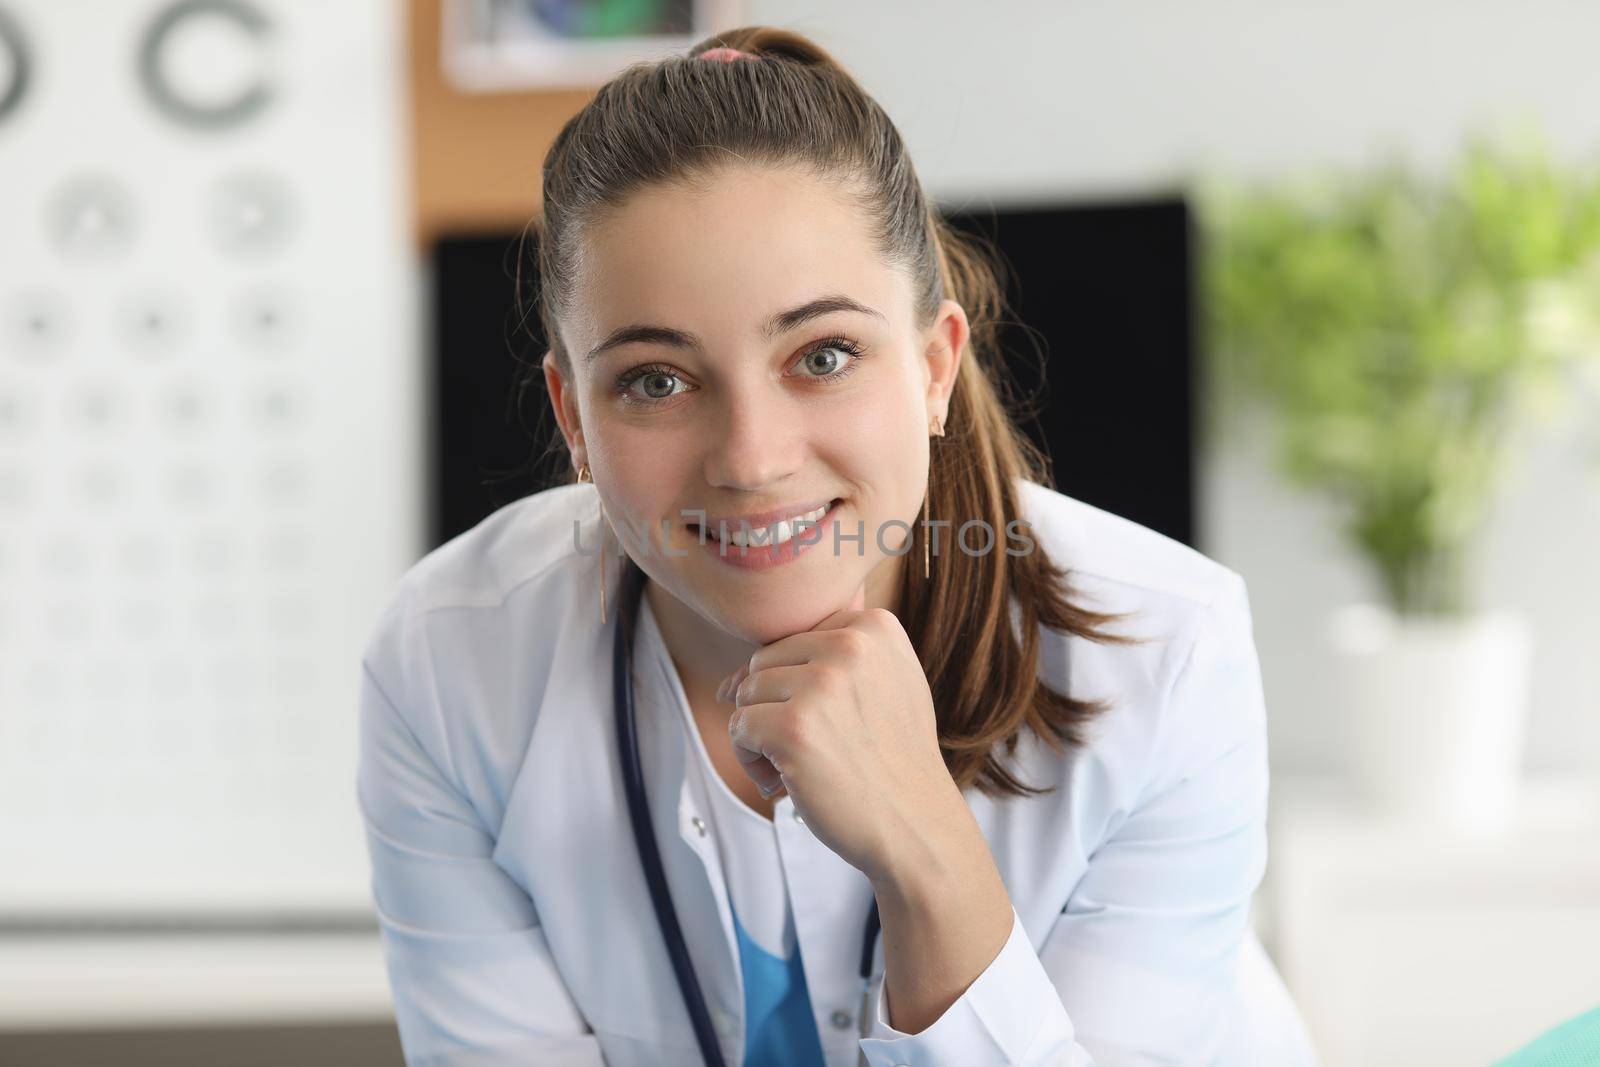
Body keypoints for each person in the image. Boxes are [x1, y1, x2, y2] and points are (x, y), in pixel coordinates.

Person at [355, 24, 1319, 1067]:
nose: (752, 459)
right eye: (655, 379)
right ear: (572, 416)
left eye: (822, 354)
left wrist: (927, 856)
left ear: (934, 365)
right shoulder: (447, 660)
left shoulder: (1163, 652)